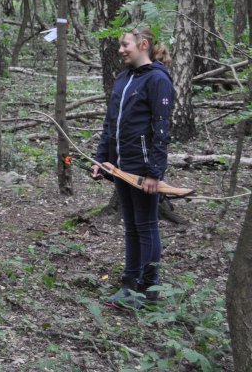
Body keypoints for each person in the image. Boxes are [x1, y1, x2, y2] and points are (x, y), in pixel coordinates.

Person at [92, 26, 173, 310]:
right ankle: (129, 285)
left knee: (146, 225)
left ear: (143, 44)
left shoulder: (158, 79)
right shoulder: (124, 78)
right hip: (120, 166)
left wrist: (154, 172)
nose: (121, 50)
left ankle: (149, 289)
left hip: (142, 168)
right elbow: (110, 122)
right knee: (131, 228)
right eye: (120, 45)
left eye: (126, 44)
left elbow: (161, 129)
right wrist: (102, 159)